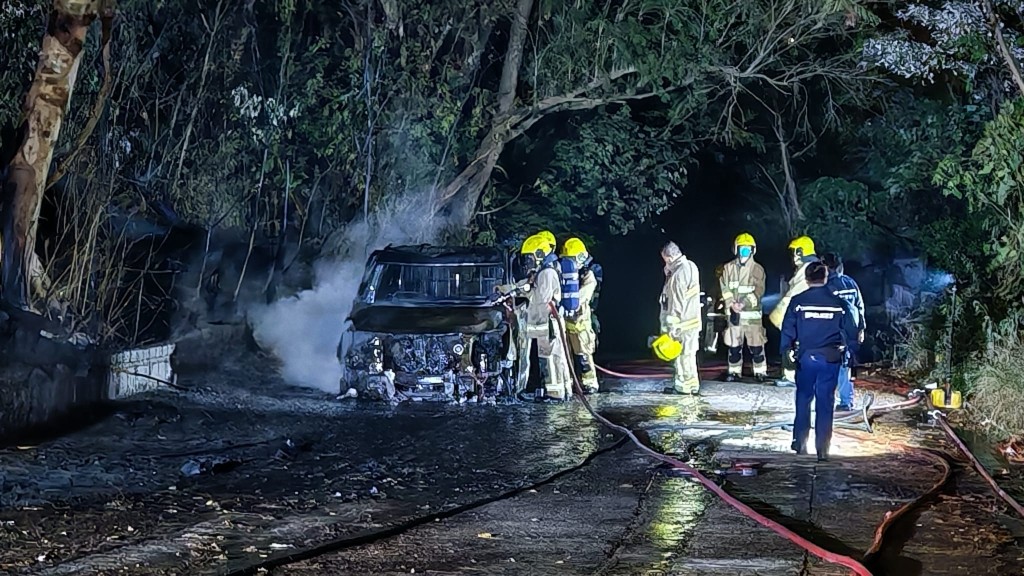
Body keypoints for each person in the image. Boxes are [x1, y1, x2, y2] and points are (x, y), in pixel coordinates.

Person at [779, 261, 860, 462]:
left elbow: (788, 328)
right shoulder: (839, 304)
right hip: (830, 359)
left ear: (807, 279)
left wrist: (785, 351)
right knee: (825, 403)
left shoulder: (798, 301)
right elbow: (852, 328)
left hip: (805, 359)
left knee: (803, 400)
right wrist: (851, 352)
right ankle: (823, 449)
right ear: (825, 278)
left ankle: (800, 442)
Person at [520, 234, 572, 401]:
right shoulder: (545, 270)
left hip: (548, 322)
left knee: (550, 358)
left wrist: (526, 291)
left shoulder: (547, 272)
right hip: (549, 321)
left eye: (530, 256)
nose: (528, 260)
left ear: (540, 253)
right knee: (555, 357)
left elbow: (542, 299)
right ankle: (562, 392)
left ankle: (554, 394)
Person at [769, 235, 819, 387]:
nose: (793, 256)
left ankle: (791, 377)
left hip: (799, 318)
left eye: (795, 252)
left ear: (801, 251)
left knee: (790, 344)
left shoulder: (806, 270)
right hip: (811, 319)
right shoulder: (815, 267)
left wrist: (777, 315)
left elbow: (792, 296)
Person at [719, 233, 768, 382]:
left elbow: (759, 290)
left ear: (752, 250)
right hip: (734, 316)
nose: (744, 252)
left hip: (752, 317)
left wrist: (743, 303)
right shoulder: (728, 268)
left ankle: (760, 372)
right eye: (742, 248)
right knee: (734, 347)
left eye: (747, 249)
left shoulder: (757, 269)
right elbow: (725, 288)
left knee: (756, 346)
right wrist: (731, 304)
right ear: (736, 249)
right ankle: (734, 372)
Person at [821, 252, 866, 411]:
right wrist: (861, 328)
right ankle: (846, 402)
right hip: (850, 332)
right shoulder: (851, 283)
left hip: (834, 333)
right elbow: (860, 307)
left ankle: (828, 401)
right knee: (845, 367)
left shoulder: (825, 286)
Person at [659, 241, 702, 395]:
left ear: (669, 258)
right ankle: (692, 385)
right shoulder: (691, 266)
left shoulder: (678, 274)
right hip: (691, 321)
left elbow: (676, 301)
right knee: (689, 355)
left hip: (682, 324)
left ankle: (683, 387)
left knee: (683, 356)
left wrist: (672, 327)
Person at [561, 237, 600, 393]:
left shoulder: (588, 276)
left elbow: (581, 297)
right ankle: (570, 383)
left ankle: (590, 383)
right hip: (565, 322)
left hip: (580, 323)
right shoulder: (564, 274)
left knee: (583, 356)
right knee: (566, 357)